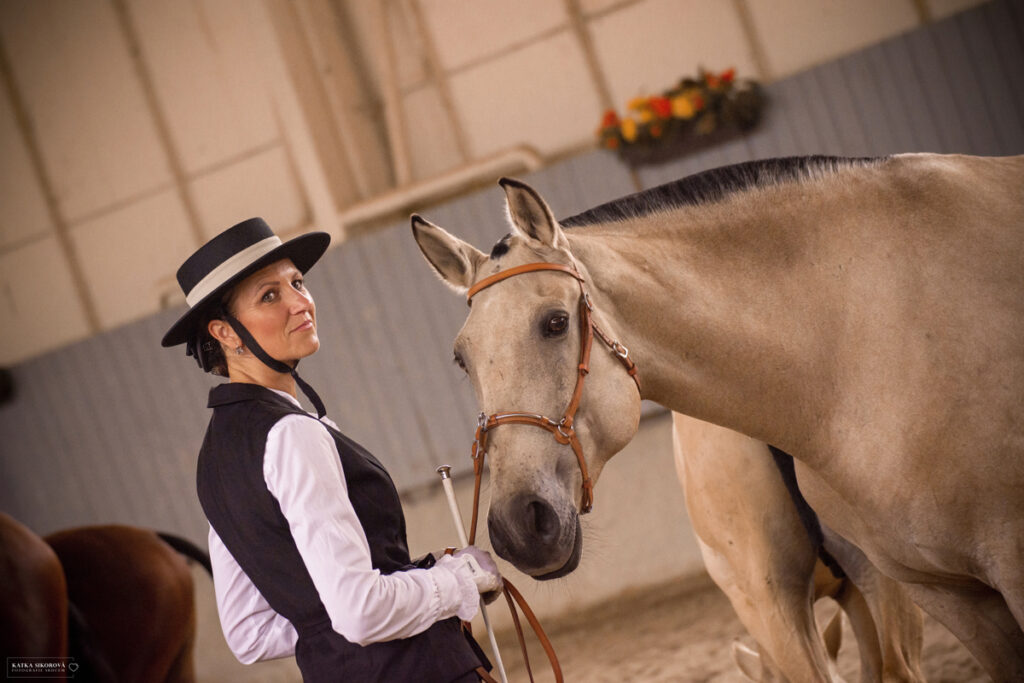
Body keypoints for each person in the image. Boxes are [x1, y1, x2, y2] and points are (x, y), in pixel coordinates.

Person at [161, 218, 501, 682]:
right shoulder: (290, 435)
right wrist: (458, 579)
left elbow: (250, 633)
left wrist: (328, 623)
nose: (300, 302)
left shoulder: (213, 461)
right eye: (269, 295)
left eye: (297, 283)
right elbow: (360, 613)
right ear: (225, 333)